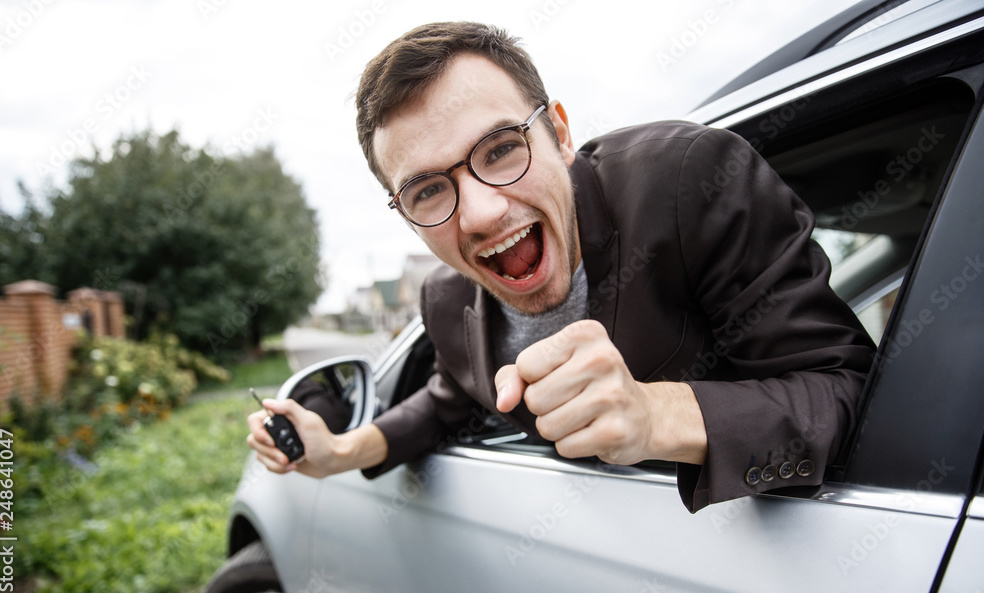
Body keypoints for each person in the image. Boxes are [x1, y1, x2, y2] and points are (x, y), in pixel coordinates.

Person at [248, 22, 875, 512]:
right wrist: (339, 451)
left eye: (500, 149)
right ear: (405, 213)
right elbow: (448, 403)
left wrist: (659, 416)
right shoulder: (444, 298)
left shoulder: (690, 181)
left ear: (560, 134)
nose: (481, 214)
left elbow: (844, 391)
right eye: (428, 191)